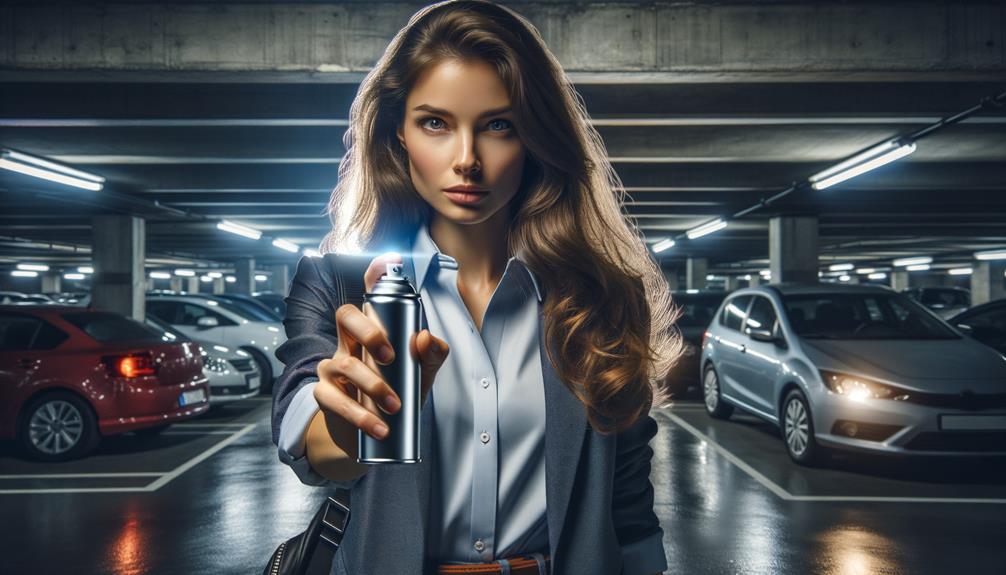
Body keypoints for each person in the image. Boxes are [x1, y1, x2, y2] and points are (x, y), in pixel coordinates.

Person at [271, 2, 683, 574]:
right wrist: (348, 422)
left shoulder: (602, 297)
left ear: (535, 139)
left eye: (498, 125)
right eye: (435, 123)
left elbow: (630, 505)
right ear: (399, 134)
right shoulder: (337, 283)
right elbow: (309, 440)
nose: (467, 160)